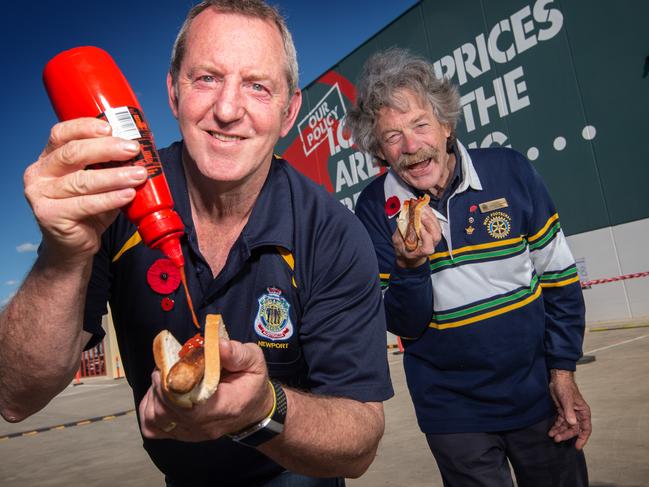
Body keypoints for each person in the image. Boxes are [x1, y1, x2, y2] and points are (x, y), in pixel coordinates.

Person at [0, 2, 394, 486]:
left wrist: (262, 408)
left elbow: (359, 441)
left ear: (289, 111)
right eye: (206, 78)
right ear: (173, 91)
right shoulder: (112, 205)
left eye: (257, 86)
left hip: (296, 472)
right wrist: (62, 257)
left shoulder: (331, 232)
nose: (228, 110)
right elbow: (14, 397)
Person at [346, 48, 591, 487]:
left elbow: (559, 282)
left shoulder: (510, 172)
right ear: (378, 150)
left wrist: (563, 372)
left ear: (446, 125)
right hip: (451, 412)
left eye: (420, 125)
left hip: (537, 394)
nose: (411, 146)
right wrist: (410, 264)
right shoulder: (373, 209)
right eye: (392, 136)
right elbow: (404, 322)